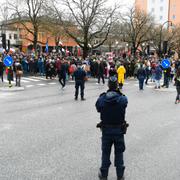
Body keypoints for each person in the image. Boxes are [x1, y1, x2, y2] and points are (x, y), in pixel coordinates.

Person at [95, 76, 128, 180]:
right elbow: (124, 105)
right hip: (119, 130)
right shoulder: (123, 98)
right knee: (119, 153)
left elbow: (98, 108)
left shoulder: (102, 99)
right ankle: (120, 175)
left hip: (106, 130)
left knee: (105, 153)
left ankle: (104, 175)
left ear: (108, 85)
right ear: (117, 85)